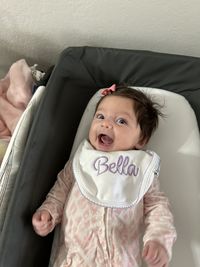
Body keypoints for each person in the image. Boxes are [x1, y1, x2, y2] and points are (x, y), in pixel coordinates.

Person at [32, 84, 177, 267]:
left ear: (141, 139)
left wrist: (158, 239)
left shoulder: (140, 170)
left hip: (121, 260)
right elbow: (61, 188)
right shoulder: (83, 160)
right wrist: (49, 211)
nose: (106, 123)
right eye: (100, 116)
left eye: (121, 121)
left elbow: (158, 207)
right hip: (74, 258)